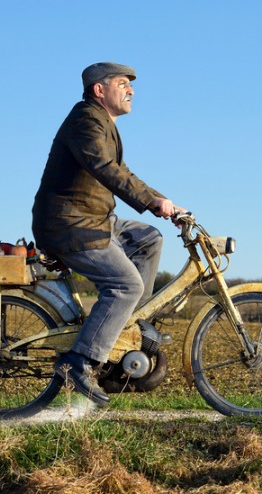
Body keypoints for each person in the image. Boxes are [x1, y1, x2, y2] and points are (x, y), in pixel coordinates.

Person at [32, 62, 185, 406]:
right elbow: (105, 168)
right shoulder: (86, 121)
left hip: (94, 218)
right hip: (70, 223)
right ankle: (79, 361)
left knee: (148, 240)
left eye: (131, 85)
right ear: (99, 90)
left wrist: (165, 205)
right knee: (126, 285)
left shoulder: (102, 124)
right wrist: (151, 201)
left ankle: (127, 329)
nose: (131, 90)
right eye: (122, 83)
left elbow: (121, 171)